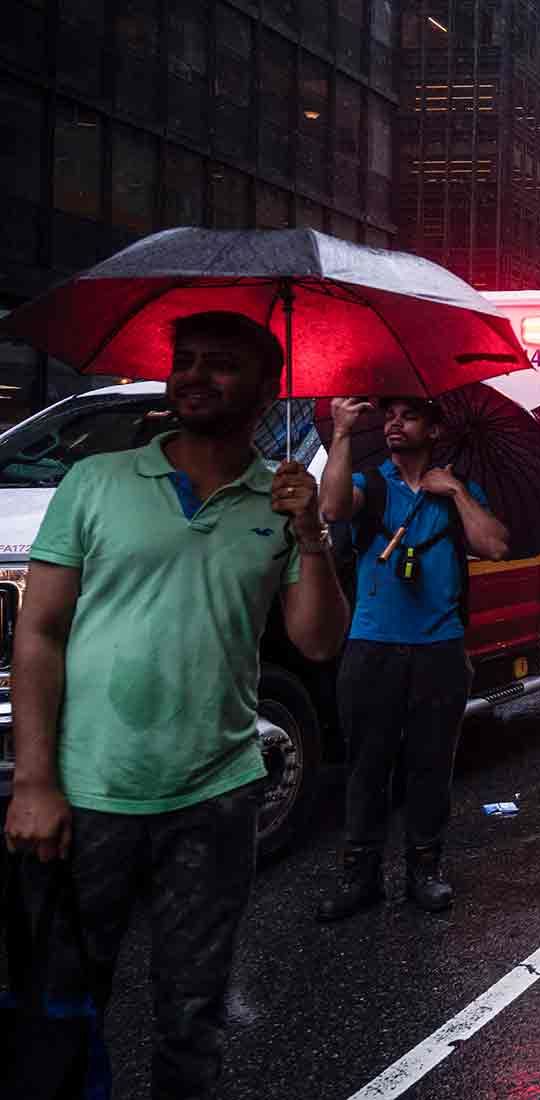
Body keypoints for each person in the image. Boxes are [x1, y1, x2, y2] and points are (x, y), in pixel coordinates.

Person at [4, 310, 349, 1097]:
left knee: (190, 1019)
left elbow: (320, 642)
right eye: (185, 360)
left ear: (267, 389)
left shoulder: (282, 503)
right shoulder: (96, 482)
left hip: (216, 796)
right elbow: (40, 634)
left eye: (220, 364)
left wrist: (311, 534)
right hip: (87, 793)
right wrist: (33, 782)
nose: (194, 376)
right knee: (59, 1011)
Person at [316, 395, 509, 920]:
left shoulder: (453, 492)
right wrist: (340, 435)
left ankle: (425, 869)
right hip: (372, 644)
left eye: (410, 415)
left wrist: (458, 492)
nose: (395, 422)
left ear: (435, 429)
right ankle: (361, 874)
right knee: (366, 767)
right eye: (390, 414)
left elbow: (494, 546)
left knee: (430, 766)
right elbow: (331, 510)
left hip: (440, 649)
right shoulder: (370, 482)